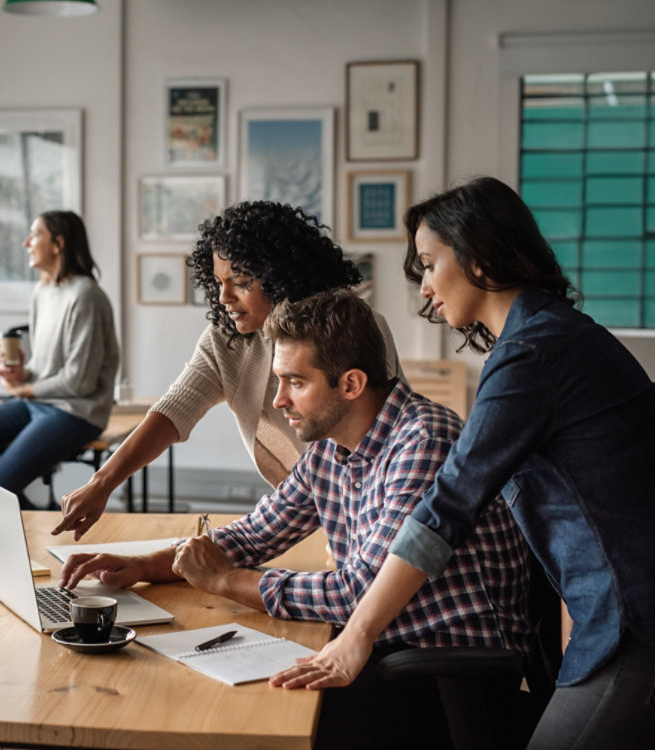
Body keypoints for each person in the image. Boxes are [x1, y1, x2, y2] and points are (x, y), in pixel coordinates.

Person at [271, 177, 655, 749]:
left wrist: (358, 634)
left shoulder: (532, 354)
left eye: (429, 263)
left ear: (480, 255)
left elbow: (446, 508)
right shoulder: (547, 339)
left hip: (635, 617)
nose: (425, 288)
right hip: (616, 611)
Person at [61, 289, 531, 748]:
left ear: (350, 384)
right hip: (382, 651)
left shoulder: (422, 441)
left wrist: (227, 583)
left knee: (236, 720)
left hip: (444, 675)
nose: (279, 400)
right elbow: (256, 533)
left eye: (295, 382)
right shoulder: (332, 445)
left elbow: (356, 593)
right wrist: (148, 565)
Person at [54, 201, 402, 539]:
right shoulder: (227, 338)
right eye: (219, 282)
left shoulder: (350, 328)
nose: (224, 297)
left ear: (283, 276)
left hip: (371, 505)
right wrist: (101, 483)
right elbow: (174, 410)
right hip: (300, 508)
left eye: (240, 281)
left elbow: (379, 440)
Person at [0, 210, 119, 509]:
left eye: (35, 234)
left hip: (76, 412)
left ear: (58, 244)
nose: (26, 243)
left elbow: (80, 381)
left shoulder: (86, 296)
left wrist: (25, 389)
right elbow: (45, 367)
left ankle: (20, 518)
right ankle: (29, 516)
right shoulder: (42, 292)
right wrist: (23, 374)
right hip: (38, 404)